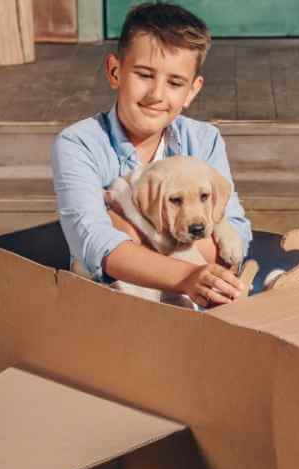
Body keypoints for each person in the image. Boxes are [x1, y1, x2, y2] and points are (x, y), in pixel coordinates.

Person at [52, 2, 250, 308]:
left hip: (190, 304)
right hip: (108, 307)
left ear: (192, 92)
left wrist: (128, 230)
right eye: (144, 75)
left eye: (174, 83)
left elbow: (235, 239)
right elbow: (95, 246)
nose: (156, 94)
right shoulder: (79, 144)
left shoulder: (202, 139)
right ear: (115, 71)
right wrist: (186, 275)